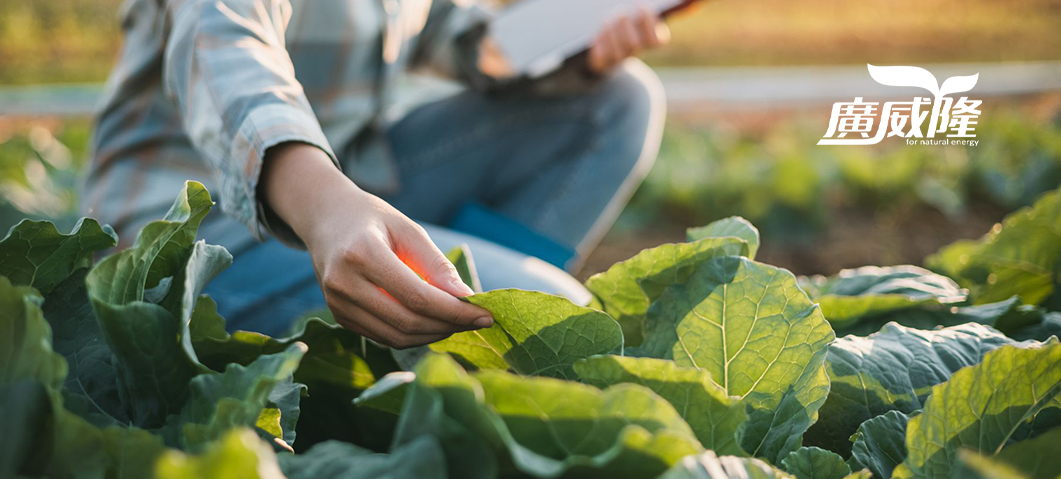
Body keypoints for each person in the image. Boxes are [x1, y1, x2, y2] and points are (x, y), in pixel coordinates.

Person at [83, 0, 669, 347]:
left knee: (616, 101)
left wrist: (579, 34)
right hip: (193, 232)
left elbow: (459, 38)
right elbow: (223, 43)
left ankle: (443, 330)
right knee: (547, 313)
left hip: (346, 187)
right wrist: (326, 206)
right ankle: (462, 333)